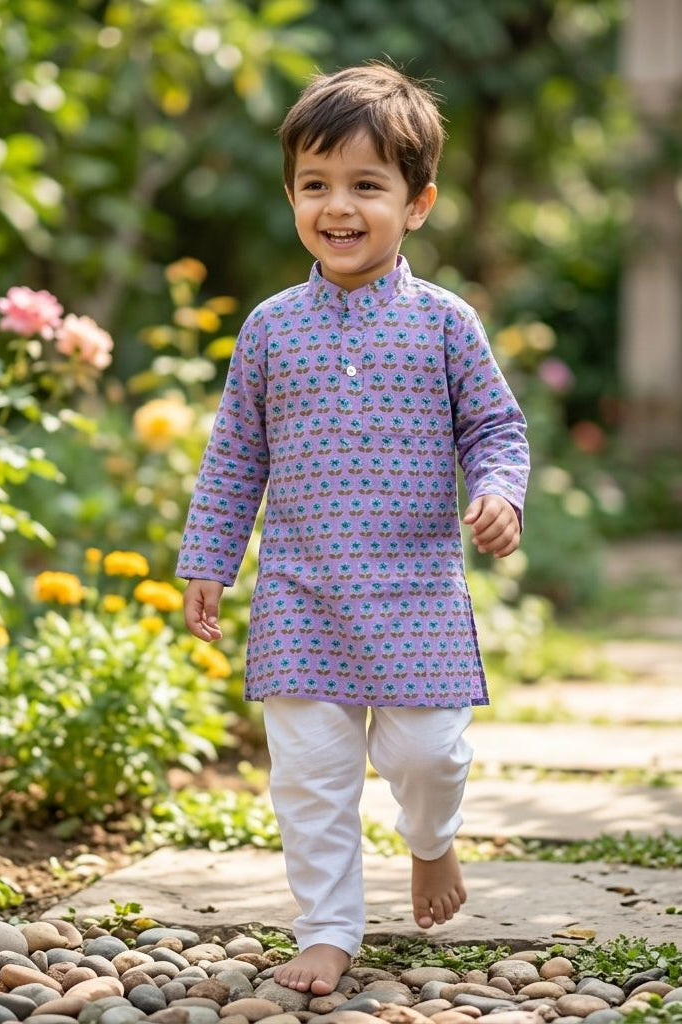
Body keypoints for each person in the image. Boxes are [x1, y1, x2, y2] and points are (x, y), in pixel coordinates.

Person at [176, 62, 530, 997]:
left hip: (414, 589)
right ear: (292, 193)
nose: (337, 206)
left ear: (416, 204)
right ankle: (328, 929)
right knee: (310, 777)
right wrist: (208, 558)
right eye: (315, 184)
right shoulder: (268, 329)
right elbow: (233, 456)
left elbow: (495, 427)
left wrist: (500, 492)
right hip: (301, 593)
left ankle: (431, 842)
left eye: (365, 186)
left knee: (427, 754)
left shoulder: (445, 325)